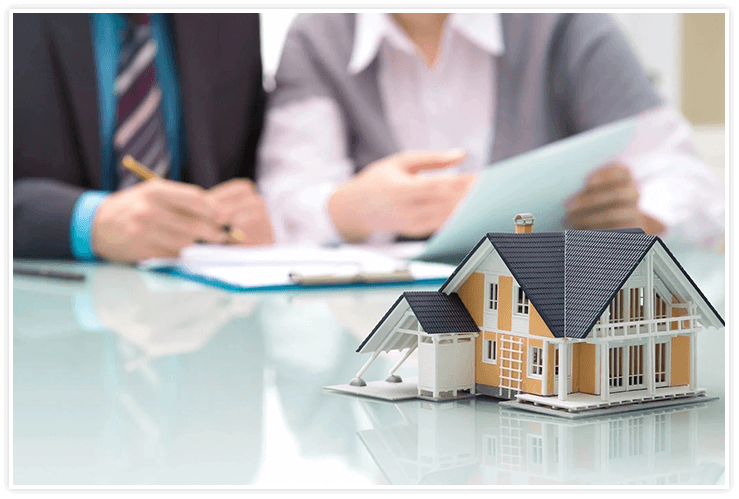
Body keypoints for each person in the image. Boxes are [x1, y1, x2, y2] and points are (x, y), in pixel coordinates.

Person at [256, 13, 724, 249]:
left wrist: (640, 217)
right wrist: (351, 209)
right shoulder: (315, 39)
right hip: (372, 336)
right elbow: (284, 199)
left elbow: (688, 180)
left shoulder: (565, 23)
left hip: (551, 325)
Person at [13, 13, 275, 263]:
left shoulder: (234, 20)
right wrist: (89, 221)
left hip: (191, 294)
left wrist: (250, 216)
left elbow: (248, 168)